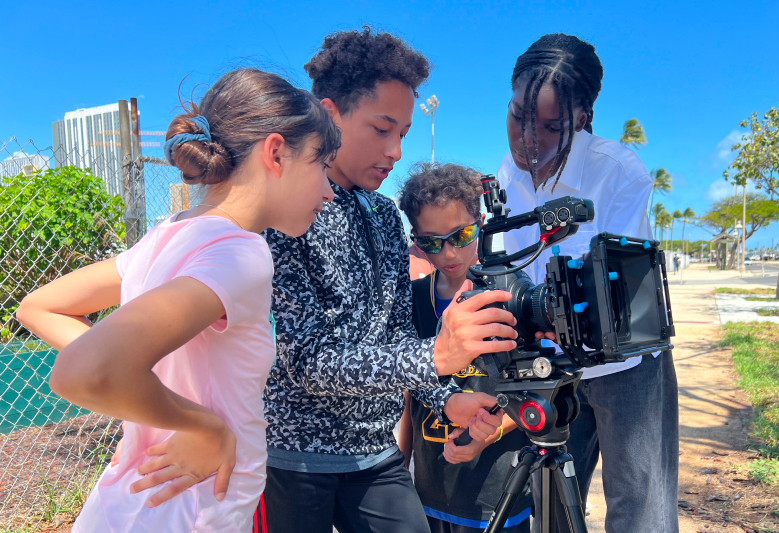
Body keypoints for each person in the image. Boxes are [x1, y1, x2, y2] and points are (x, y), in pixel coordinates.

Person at [16, 68, 341, 533]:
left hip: (129, 503)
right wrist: (204, 428)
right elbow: (85, 370)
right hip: (192, 509)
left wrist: (141, 391)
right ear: (275, 153)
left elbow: (38, 307)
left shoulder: (164, 236)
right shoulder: (241, 252)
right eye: (320, 164)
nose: (329, 190)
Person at [261, 28, 515, 533]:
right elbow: (308, 361)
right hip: (297, 457)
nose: (396, 151)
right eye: (382, 129)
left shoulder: (382, 215)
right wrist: (437, 357)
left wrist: (447, 399)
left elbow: (397, 336)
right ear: (330, 114)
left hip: (377, 456)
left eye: (402, 133)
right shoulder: (287, 208)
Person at [496, 34, 679, 533]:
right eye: (518, 116)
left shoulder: (617, 171)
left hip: (627, 365)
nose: (527, 138)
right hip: (551, 365)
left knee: (639, 509)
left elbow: (622, 283)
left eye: (550, 125)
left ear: (581, 117)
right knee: (550, 503)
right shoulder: (507, 174)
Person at [397, 162, 533, 533]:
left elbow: (536, 391)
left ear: (481, 221)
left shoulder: (513, 293)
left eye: (461, 236)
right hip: (429, 492)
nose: (448, 254)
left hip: (498, 495)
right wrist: (399, 471)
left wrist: (489, 431)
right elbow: (409, 396)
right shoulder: (412, 300)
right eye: (430, 242)